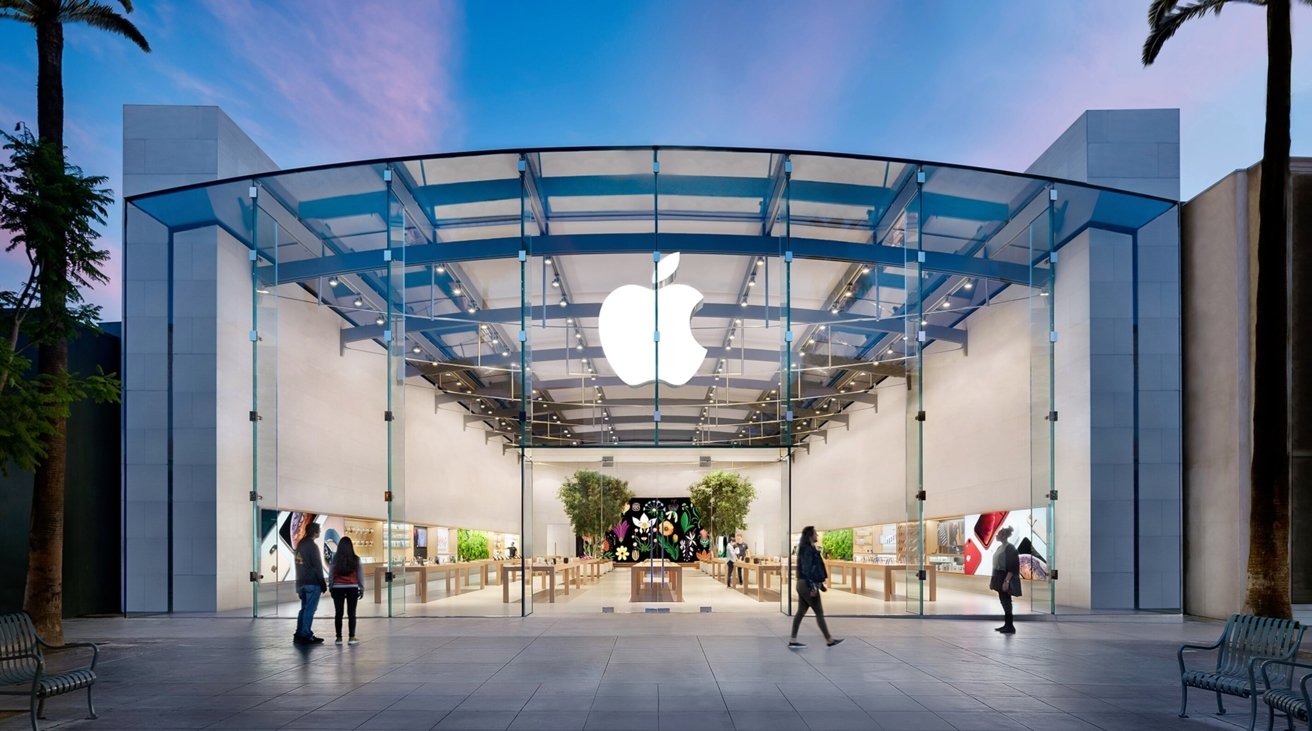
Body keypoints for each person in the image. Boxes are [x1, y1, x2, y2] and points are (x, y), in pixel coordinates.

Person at [789, 526, 843, 648]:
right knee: (819, 612)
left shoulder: (807, 548)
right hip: (807, 585)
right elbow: (808, 569)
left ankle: (793, 640)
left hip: (802, 584)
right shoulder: (807, 549)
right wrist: (814, 586)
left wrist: (820, 584)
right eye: (815, 534)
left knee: (801, 612)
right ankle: (829, 640)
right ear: (810, 535)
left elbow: (813, 569)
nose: (817, 536)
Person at [294, 521, 327, 645]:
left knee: (304, 609)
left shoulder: (300, 544)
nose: (320, 532)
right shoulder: (312, 546)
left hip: (301, 582)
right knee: (310, 610)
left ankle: (300, 632)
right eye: (319, 530)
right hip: (312, 583)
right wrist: (322, 582)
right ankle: (306, 634)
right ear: (315, 532)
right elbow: (317, 566)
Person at [329, 535, 365, 645]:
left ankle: (339, 638)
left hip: (337, 588)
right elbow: (360, 575)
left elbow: (331, 574)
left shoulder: (334, 558)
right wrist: (361, 587)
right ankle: (351, 637)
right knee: (352, 613)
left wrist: (331, 586)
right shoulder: (356, 559)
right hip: (352, 587)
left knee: (338, 613)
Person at [989, 526, 1021, 635]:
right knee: (1003, 600)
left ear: (1003, 536)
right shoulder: (1000, 548)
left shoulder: (1010, 548)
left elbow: (1012, 567)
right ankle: (1007, 624)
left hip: (1005, 577)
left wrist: (1006, 581)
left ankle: (1010, 625)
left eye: (999, 534)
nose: (996, 536)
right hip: (998, 576)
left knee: (1007, 601)